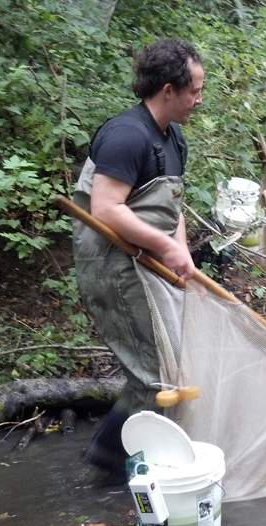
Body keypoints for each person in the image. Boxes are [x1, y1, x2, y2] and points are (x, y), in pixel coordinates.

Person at [71, 38, 204, 481]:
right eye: (194, 91)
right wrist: (166, 247)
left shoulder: (173, 138)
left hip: (148, 265)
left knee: (165, 368)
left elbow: (171, 208)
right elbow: (106, 209)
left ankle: (121, 458)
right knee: (154, 375)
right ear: (168, 90)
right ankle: (111, 467)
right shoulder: (127, 135)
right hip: (115, 266)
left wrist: (180, 250)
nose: (198, 101)